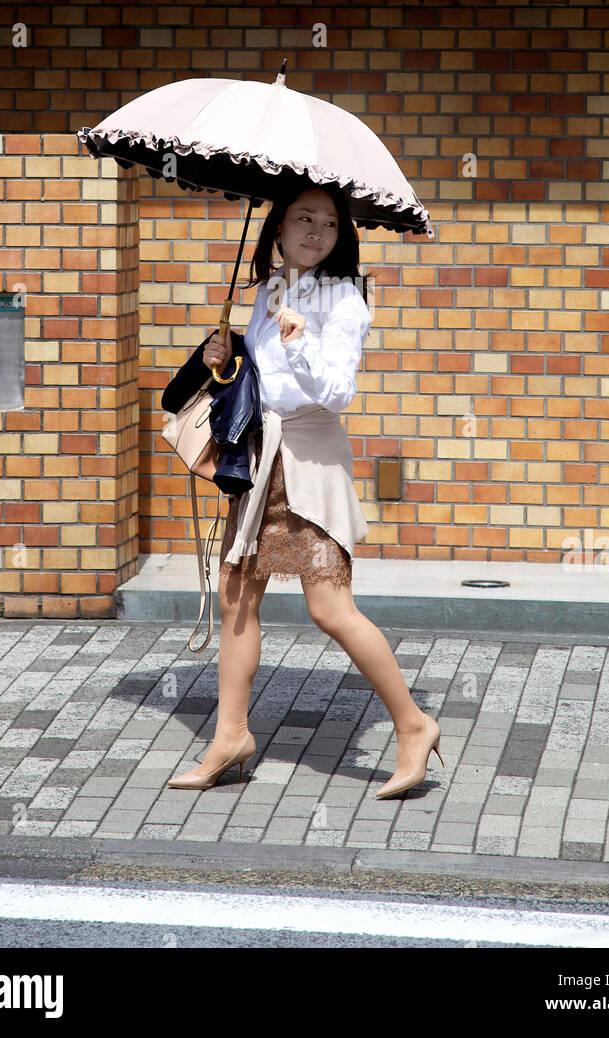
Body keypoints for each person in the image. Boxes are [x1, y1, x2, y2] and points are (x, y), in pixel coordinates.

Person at [167, 183, 443, 799]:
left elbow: (338, 392)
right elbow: (260, 383)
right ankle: (230, 736)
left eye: (328, 222)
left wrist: (299, 340)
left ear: (342, 235)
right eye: (303, 218)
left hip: (311, 457)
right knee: (237, 596)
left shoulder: (345, 299)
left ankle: (414, 724)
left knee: (329, 607)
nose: (316, 231)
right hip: (262, 456)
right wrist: (225, 360)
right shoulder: (266, 289)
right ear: (279, 227)